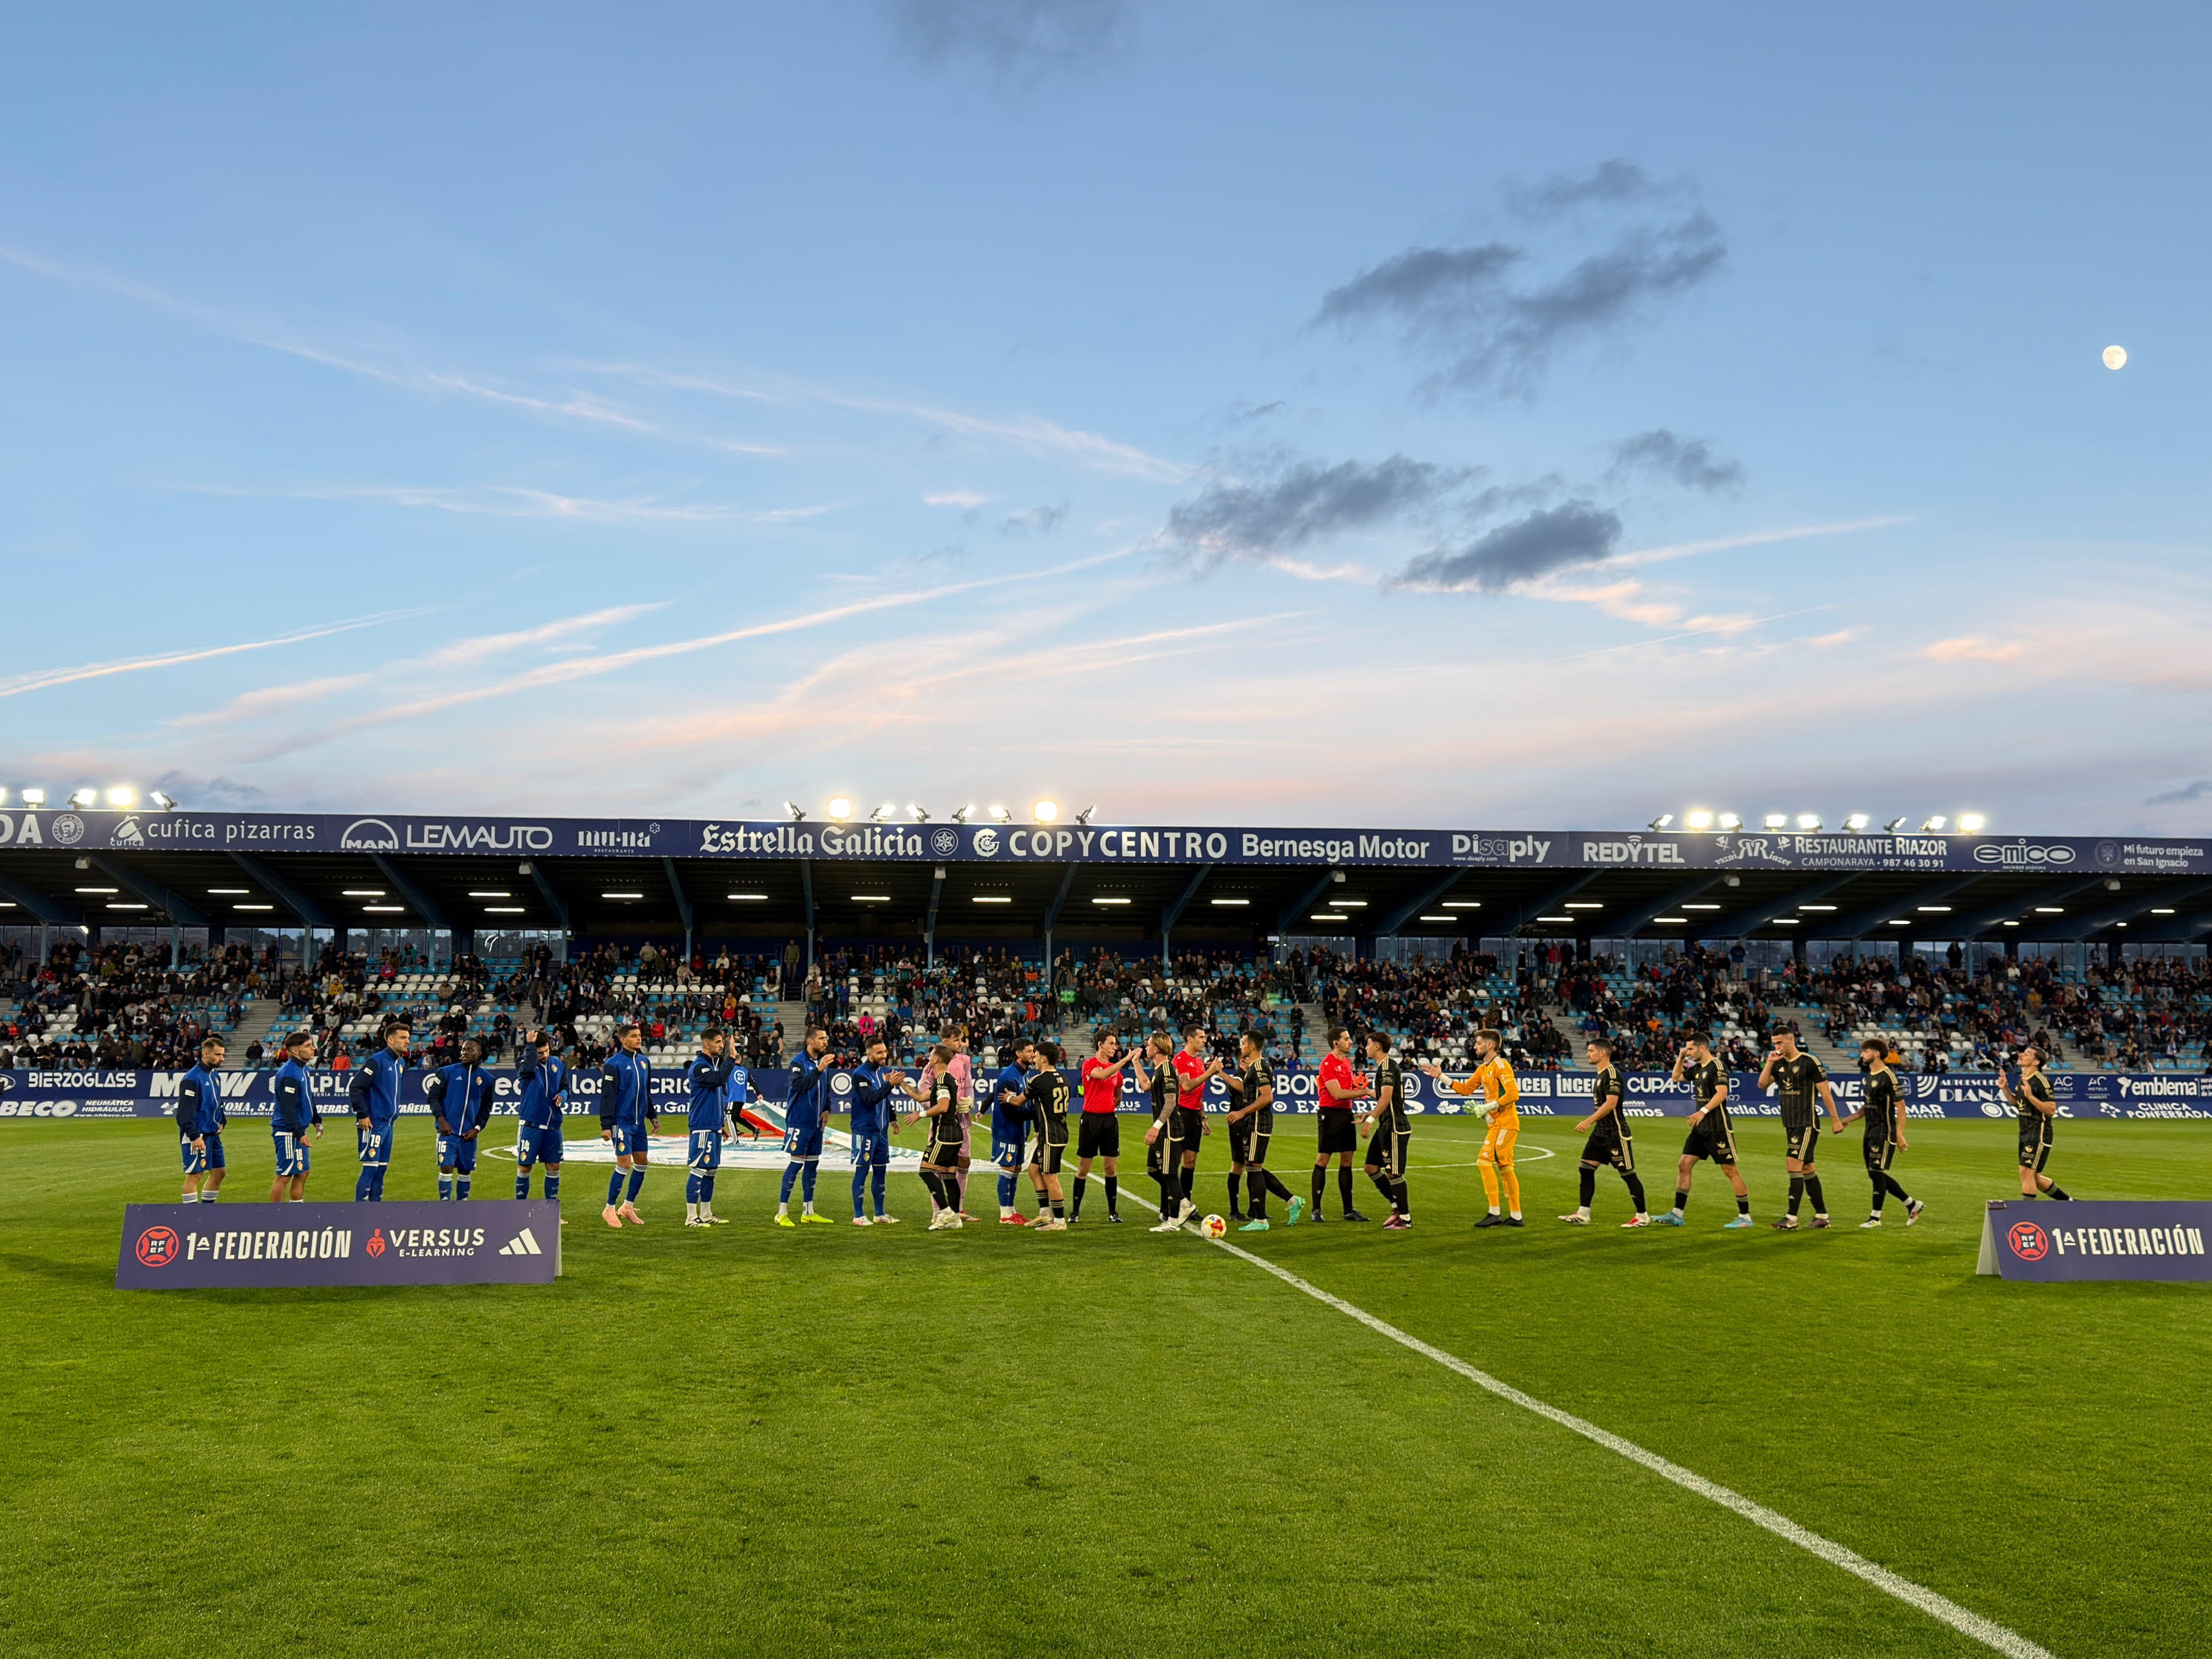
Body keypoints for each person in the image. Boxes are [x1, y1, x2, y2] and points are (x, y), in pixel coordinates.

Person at [1422, 1027, 1522, 1228]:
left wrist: (1488, 1106)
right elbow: (1466, 1089)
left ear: (1490, 1045)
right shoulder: (1483, 1068)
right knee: (1505, 1168)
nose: (1475, 1046)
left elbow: (1513, 1094)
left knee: (1484, 1162)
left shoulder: (1501, 1065)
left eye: (1478, 1043)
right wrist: (1441, 1076)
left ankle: (1495, 1212)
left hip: (1505, 1124)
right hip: (1497, 1124)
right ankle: (1516, 1216)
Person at [1659, 1034, 1753, 1228]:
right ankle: (1677, 1214)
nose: (1688, 1052)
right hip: (1700, 1129)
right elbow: (1676, 1077)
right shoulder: (1696, 1068)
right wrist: (1680, 1058)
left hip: (1717, 1127)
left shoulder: (1717, 1066)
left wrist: (1702, 1111)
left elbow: (1722, 1093)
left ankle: (1745, 1217)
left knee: (1730, 1170)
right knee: (1684, 1164)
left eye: (1690, 1049)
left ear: (1702, 1048)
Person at [1758, 1024, 1844, 1231]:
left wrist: (1835, 1119)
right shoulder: (1778, 1064)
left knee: (1793, 1164)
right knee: (1807, 1168)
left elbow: (1825, 1093)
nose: (1777, 1046)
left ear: (1791, 1039)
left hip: (1806, 1122)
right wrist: (1769, 1063)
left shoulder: (1809, 1062)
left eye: (1780, 1042)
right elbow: (1762, 1084)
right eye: (1774, 1043)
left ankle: (1791, 1218)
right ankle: (1822, 1216)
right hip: (1790, 1123)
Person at [1561, 1037, 1647, 1227]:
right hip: (1601, 1133)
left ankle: (1642, 1216)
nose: (1588, 1054)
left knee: (1628, 1174)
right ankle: (1583, 1213)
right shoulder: (1601, 1074)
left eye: (1591, 1051)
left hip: (1615, 1133)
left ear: (1602, 1053)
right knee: (1585, 1168)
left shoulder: (1612, 1074)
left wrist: (1588, 1121)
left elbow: (1611, 1104)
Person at [1840, 1037, 1923, 1228]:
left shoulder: (1889, 1076)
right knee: (1873, 1173)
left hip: (1885, 1131)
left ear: (1876, 1054)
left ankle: (1875, 1218)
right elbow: (1867, 1107)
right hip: (1869, 1131)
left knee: (1876, 1172)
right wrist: (1847, 1121)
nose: (1862, 1054)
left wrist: (1899, 1134)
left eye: (1865, 1051)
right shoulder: (1869, 1077)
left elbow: (1901, 1107)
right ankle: (1912, 1204)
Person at [1224, 1032, 1299, 1231]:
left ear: (1252, 1046)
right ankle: (1290, 1201)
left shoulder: (1260, 1066)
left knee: (1254, 1168)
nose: (1241, 1046)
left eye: (1243, 1043)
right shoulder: (1253, 1067)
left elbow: (1267, 1097)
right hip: (1252, 1122)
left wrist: (1242, 1112)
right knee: (1252, 1166)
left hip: (1259, 1122)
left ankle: (1261, 1219)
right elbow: (1245, 1089)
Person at [599, 1021, 656, 1228]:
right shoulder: (614, 1064)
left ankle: (627, 1206)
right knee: (624, 1163)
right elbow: (607, 1096)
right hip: (621, 1121)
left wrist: (652, 1115)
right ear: (622, 1040)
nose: (638, 1038)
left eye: (639, 1035)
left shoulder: (644, 1062)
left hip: (638, 1123)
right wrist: (606, 1125)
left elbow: (645, 1092)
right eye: (633, 1036)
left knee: (642, 1162)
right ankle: (609, 1208)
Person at [1314, 1025, 1373, 1222]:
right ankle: (1316, 1210)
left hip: (1346, 1113)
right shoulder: (1327, 1064)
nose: (1350, 1042)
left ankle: (1348, 1210)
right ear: (1336, 1043)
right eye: (1346, 1039)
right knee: (1323, 1161)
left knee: (1347, 1161)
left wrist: (1356, 1087)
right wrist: (1365, 1092)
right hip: (1329, 1114)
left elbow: (1346, 1092)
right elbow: (1337, 1094)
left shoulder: (1347, 1063)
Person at [903, 1044, 966, 1230]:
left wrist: (919, 1115)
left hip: (944, 1134)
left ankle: (945, 1211)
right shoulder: (947, 1079)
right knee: (948, 1176)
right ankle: (955, 1217)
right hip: (955, 1133)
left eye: (931, 1056)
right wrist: (901, 1083)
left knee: (925, 1171)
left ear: (936, 1059)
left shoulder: (941, 1081)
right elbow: (922, 1097)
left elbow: (943, 1106)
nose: (929, 1058)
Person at [778, 1024, 836, 1226]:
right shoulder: (797, 1062)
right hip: (799, 1121)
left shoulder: (822, 1063)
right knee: (796, 1164)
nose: (825, 1042)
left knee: (813, 1165)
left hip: (816, 1124)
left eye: (826, 1038)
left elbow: (825, 1090)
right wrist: (819, 1070)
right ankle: (781, 1213)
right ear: (810, 1041)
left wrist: (827, 1109)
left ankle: (808, 1212)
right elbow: (800, 1086)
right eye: (822, 1039)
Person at [1070, 1030, 1128, 1223]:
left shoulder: (1116, 1071)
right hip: (1090, 1120)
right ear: (1100, 1044)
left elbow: (1118, 1091)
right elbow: (1102, 1075)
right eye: (1111, 1043)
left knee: (1110, 1168)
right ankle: (1075, 1211)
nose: (1115, 1047)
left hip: (1109, 1120)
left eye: (1115, 1044)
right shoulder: (1090, 1064)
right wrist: (1126, 1060)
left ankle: (1113, 1212)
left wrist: (1113, 1104)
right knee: (1083, 1168)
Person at [425, 1039, 492, 1202]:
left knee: (465, 1170)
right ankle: (445, 1205)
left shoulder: (487, 1079)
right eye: (463, 1050)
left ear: (479, 1053)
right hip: (448, 1131)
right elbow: (432, 1097)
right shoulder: (446, 1072)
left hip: (469, 1134)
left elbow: (486, 1108)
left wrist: (477, 1128)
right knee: (446, 1167)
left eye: (469, 1050)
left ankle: (463, 1205)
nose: (464, 1053)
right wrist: (441, 1121)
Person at [846, 1038, 904, 1226]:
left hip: (881, 1132)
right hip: (865, 1130)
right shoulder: (860, 1075)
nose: (884, 1055)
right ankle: (858, 1216)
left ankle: (879, 1214)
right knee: (862, 1171)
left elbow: (884, 1100)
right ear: (869, 1054)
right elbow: (871, 1098)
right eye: (879, 1053)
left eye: (885, 1052)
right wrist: (890, 1086)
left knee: (881, 1171)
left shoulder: (882, 1073)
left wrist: (893, 1118)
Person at [350, 1021, 410, 1202]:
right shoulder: (376, 1061)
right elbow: (356, 1087)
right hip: (373, 1123)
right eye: (403, 1038)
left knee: (382, 1167)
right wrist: (363, 1115)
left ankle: (376, 1208)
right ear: (390, 1040)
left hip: (388, 1125)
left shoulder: (400, 1063)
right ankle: (360, 1210)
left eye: (408, 1038)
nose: (408, 1041)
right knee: (370, 1167)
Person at [684, 1027, 738, 1228]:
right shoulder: (699, 1067)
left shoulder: (713, 1066)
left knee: (711, 1171)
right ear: (706, 1044)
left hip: (713, 1125)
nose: (721, 1045)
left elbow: (718, 1093)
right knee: (698, 1168)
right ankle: (691, 1217)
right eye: (717, 1042)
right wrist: (731, 1058)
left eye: (722, 1042)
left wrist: (720, 1123)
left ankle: (706, 1214)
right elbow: (719, 1080)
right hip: (701, 1126)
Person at [2004, 1044, 2072, 1201]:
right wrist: (2005, 1089)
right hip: (2025, 1132)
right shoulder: (2023, 1079)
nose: (2021, 1055)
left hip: (2039, 1132)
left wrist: (2031, 1097)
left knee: (2025, 1171)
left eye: (2027, 1054)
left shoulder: (2042, 1081)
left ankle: (2027, 1213)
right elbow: (2018, 1103)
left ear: (2036, 1062)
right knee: (2033, 1177)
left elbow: (2051, 1110)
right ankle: (2069, 1203)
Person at [1360, 1032, 1413, 1229]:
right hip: (1385, 1125)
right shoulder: (1383, 1068)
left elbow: (1387, 1097)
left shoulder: (1388, 1066)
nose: (1366, 1047)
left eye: (1368, 1043)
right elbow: (1383, 1097)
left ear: (1377, 1046)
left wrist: (1371, 1120)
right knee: (1371, 1167)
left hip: (1395, 1127)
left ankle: (1405, 1219)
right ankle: (1396, 1206)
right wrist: (1370, 1113)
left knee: (1394, 1173)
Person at [512, 1027, 568, 1213]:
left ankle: (551, 1212)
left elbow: (565, 1085)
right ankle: (520, 1209)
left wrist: (564, 1094)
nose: (544, 1055)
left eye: (546, 1051)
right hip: (531, 1124)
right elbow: (526, 1070)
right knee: (525, 1165)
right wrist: (529, 1046)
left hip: (553, 1125)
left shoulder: (558, 1064)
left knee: (553, 1165)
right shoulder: (524, 1061)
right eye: (540, 1053)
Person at [267, 1030, 322, 1203]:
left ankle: (296, 1215)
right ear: (295, 1051)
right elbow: (287, 1108)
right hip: (287, 1132)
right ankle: (276, 1218)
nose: (313, 1049)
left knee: (302, 1172)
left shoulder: (302, 1069)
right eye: (308, 1046)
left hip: (296, 1131)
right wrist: (300, 1133)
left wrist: (316, 1120)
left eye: (312, 1045)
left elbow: (307, 1098)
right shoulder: (290, 1073)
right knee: (284, 1175)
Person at [1023, 1040, 1071, 1230]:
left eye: (1035, 1056)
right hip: (1055, 1132)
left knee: (1050, 1176)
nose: (1034, 1059)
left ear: (1043, 1059)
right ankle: (1044, 1213)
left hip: (1052, 1136)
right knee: (1034, 1170)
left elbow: (1020, 1100)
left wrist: (1007, 1097)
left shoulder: (1038, 1080)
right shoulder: (1064, 1079)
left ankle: (1059, 1221)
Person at [175, 1033, 228, 1204]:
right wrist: (194, 1136)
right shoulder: (192, 1078)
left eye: (223, 1055)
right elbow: (183, 1114)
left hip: (212, 1134)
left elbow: (216, 1102)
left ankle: (206, 1213)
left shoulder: (215, 1076)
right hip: (197, 1135)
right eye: (218, 1055)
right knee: (195, 1175)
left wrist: (222, 1120)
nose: (222, 1059)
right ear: (206, 1053)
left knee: (219, 1172)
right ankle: (191, 1218)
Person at [991, 1039, 1038, 1226]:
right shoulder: (1009, 1076)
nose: (1033, 1054)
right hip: (1007, 1129)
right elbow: (1010, 1109)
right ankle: (1004, 1214)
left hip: (1019, 1130)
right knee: (1008, 1169)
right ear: (1018, 1053)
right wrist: (1036, 1113)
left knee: (1016, 1169)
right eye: (1029, 1051)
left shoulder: (1025, 1074)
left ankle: (1012, 1211)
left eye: (1033, 1051)